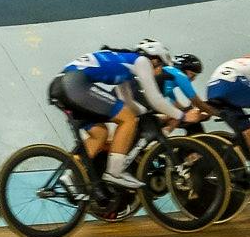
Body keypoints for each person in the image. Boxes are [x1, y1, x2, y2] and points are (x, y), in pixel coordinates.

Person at [55, 40, 192, 189]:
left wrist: (147, 113)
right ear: (154, 59)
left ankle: (70, 175)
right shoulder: (141, 61)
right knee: (128, 120)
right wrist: (181, 116)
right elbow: (155, 100)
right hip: (74, 85)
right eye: (161, 67)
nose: (160, 72)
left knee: (100, 133)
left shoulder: (125, 67)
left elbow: (128, 103)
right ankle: (114, 172)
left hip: (62, 86)